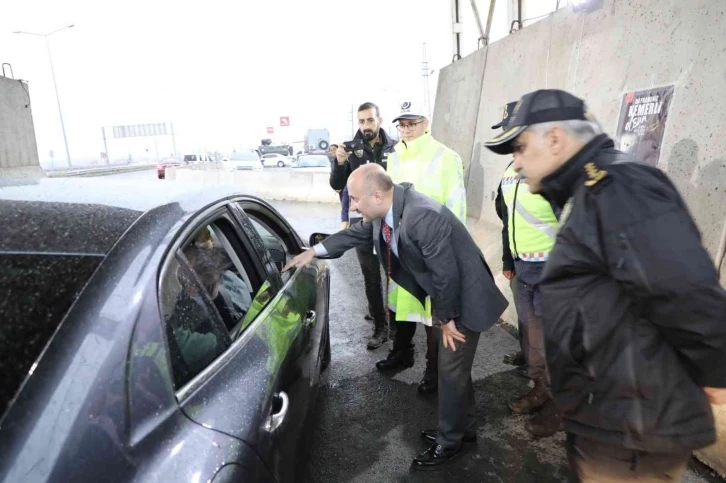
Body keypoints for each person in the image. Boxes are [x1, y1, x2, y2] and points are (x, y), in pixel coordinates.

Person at [484, 88, 726, 482]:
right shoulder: (585, 189)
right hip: (611, 413)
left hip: (634, 426)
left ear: (556, 139)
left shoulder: (618, 186)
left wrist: (717, 374)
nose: (515, 163)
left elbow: (683, 287)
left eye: (521, 148)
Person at [285, 164, 508, 469]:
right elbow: (355, 234)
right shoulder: (387, 211)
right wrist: (314, 251)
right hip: (452, 295)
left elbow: (446, 274)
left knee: (450, 371)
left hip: (464, 299)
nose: (353, 205)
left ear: (376, 195)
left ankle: (450, 441)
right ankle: (463, 429)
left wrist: (445, 319)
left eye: (355, 198)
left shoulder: (420, 215)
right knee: (454, 372)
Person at [375, 100, 467, 396]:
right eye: (401, 124)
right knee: (402, 304)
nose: (406, 130)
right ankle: (402, 353)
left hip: (431, 248)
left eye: (412, 123)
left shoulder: (445, 156)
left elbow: (456, 207)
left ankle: (434, 370)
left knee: (432, 315)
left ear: (426, 122)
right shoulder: (394, 157)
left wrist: (450, 251)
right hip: (401, 245)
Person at [491, 101, 563, 437]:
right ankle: (541, 390)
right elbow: (508, 219)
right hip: (524, 267)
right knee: (534, 340)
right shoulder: (511, 170)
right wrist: (508, 260)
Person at [329, 102, 398, 350]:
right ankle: (380, 327)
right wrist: (338, 162)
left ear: (380, 120)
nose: (365, 126)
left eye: (370, 120)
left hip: (392, 218)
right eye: (361, 121)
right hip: (363, 222)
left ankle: (397, 320)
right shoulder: (350, 149)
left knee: (395, 272)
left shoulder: (395, 147)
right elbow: (337, 184)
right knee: (371, 276)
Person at [328, 144, 350, 230]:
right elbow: (334, 179)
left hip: (347, 187)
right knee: (344, 206)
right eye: (331, 150)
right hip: (341, 188)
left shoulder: (346, 161)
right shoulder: (334, 161)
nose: (332, 151)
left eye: (334, 149)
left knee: (345, 207)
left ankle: (344, 225)